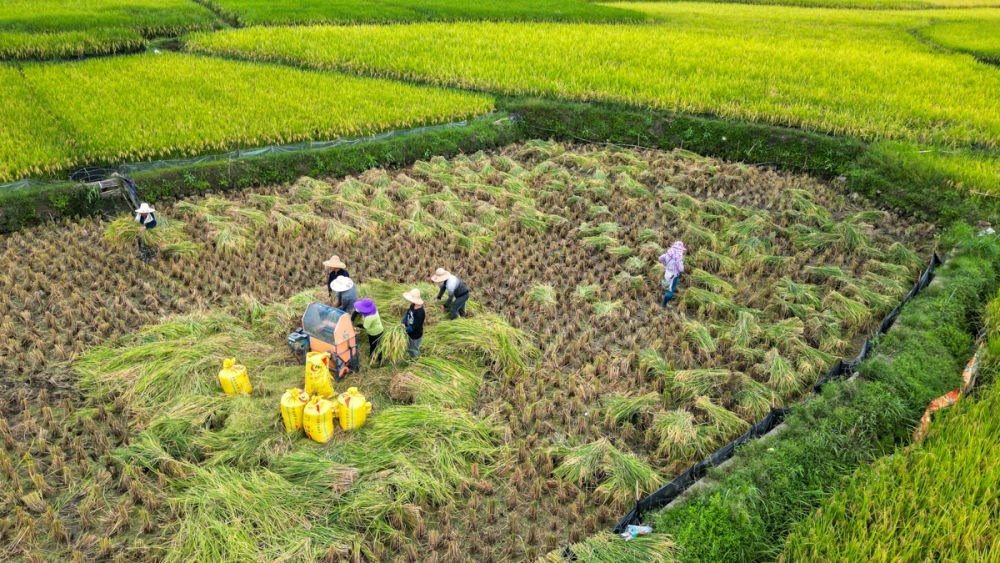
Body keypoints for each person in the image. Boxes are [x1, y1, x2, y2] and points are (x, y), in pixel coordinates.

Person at [659, 241, 686, 306]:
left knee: (668, 285)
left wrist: (665, 264)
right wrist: (682, 268)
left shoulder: (669, 253)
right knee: (670, 291)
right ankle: (664, 304)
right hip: (674, 275)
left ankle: (664, 292)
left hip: (667, 272)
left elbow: (660, 258)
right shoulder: (678, 257)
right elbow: (681, 269)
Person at [402, 288, 425, 359]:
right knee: (409, 346)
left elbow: (414, 326)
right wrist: (403, 322)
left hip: (415, 335)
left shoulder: (420, 313)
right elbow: (407, 313)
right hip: (409, 332)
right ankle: (411, 356)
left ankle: (415, 360)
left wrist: (405, 330)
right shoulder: (413, 305)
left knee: (414, 349)